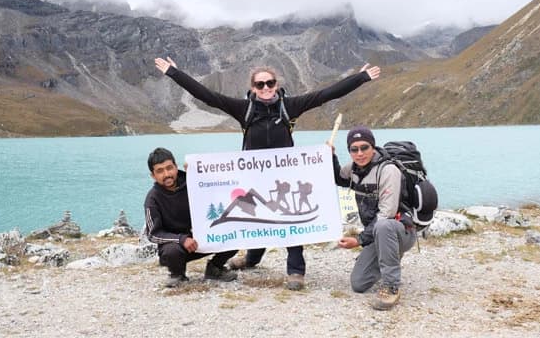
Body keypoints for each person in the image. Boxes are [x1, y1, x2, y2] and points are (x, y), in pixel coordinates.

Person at [154, 57, 381, 290]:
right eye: (260, 84)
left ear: (276, 84)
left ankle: (296, 270)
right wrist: (173, 72)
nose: (265, 88)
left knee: (289, 219)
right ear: (253, 88)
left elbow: (326, 94)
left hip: (284, 178)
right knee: (254, 219)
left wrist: (360, 78)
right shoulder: (244, 109)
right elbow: (207, 96)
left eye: (270, 83)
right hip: (252, 179)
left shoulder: (289, 106)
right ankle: (252, 258)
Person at [331, 126, 416, 310]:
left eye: (365, 147)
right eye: (354, 149)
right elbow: (339, 178)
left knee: (384, 225)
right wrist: (330, 156)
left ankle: (391, 286)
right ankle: (388, 255)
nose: (360, 153)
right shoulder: (354, 168)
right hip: (377, 235)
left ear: (373, 147)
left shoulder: (388, 171)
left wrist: (359, 240)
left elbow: (386, 214)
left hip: (401, 231)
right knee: (358, 283)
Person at [144, 147, 238, 287]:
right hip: (178, 246)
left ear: (176, 167)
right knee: (171, 252)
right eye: (160, 171)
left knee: (236, 233)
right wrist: (181, 239)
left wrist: (198, 172)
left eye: (169, 168)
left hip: (203, 238)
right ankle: (177, 274)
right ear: (153, 175)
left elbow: (218, 185)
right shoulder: (152, 199)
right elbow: (154, 234)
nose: (166, 174)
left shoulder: (193, 182)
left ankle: (215, 267)